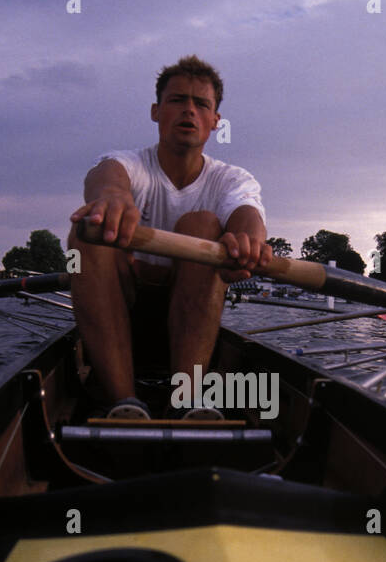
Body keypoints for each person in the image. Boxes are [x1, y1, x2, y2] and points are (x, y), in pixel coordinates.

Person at [68, 55, 271, 419]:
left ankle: (186, 399)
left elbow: (247, 214)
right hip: (124, 307)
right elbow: (105, 177)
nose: (188, 111)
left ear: (214, 122)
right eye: (177, 100)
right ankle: (123, 401)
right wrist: (111, 199)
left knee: (204, 225)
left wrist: (248, 241)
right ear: (156, 111)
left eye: (201, 104)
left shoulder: (233, 179)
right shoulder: (127, 163)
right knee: (88, 232)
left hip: (193, 313)